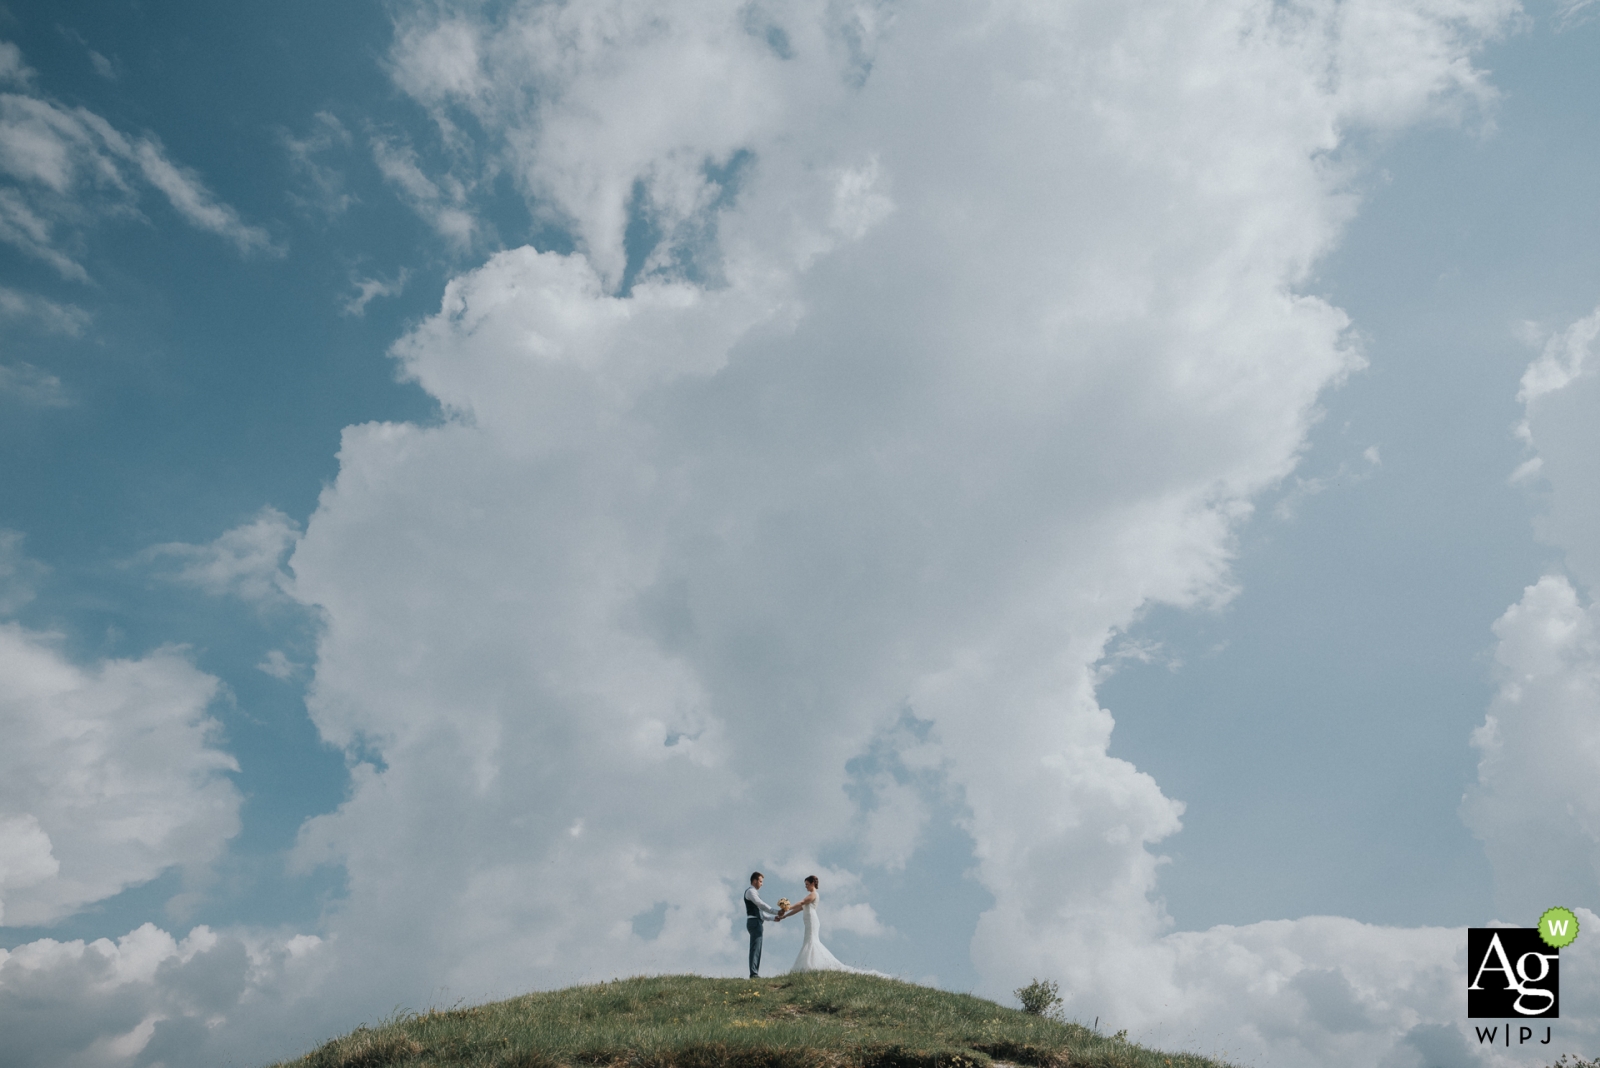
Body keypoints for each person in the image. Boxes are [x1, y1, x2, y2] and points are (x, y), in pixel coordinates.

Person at [774, 875, 888, 975]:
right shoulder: (810, 895)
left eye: (807, 884)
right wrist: (785, 915)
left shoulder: (813, 894)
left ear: (813, 883)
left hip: (812, 921)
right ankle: (808, 966)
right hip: (808, 922)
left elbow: (802, 902)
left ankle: (812, 965)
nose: (806, 887)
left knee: (812, 942)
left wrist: (788, 907)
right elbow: (799, 908)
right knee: (808, 942)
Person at [743, 871, 781, 978]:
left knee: (758, 948)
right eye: (760, 881)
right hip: (754, 922)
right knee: (755, 948)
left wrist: (774, 918)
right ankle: (753, 973)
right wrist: (776, 911)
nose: (761, 884)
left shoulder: (754, 892)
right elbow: (761, 905)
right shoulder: (751, 892)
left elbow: (761, 913)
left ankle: (755, 972)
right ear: (754, 881)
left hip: (757, 922)